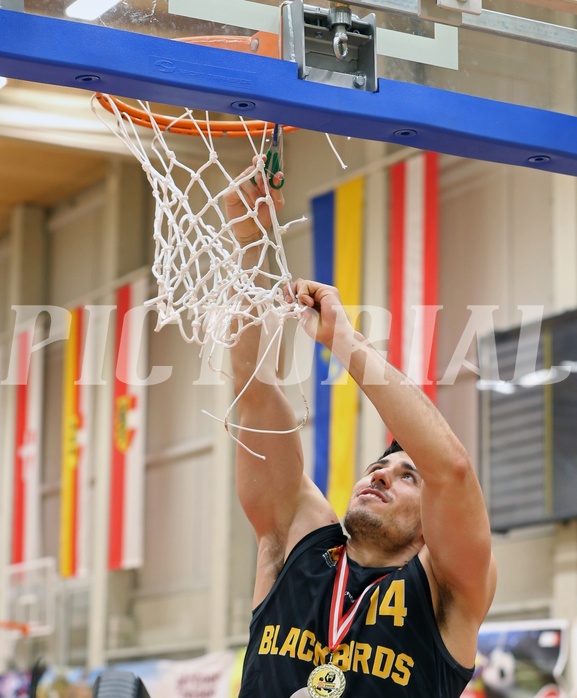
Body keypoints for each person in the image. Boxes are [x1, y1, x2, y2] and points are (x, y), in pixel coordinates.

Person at [225, 158, 497, 697]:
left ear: (431, 525)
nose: (380, 475)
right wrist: (249, 240)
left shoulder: (446, 586)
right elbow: (254, 390)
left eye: (406, 477)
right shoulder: (296, 540)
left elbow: (452, 469)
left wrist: (344, 342)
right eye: (379, 465)